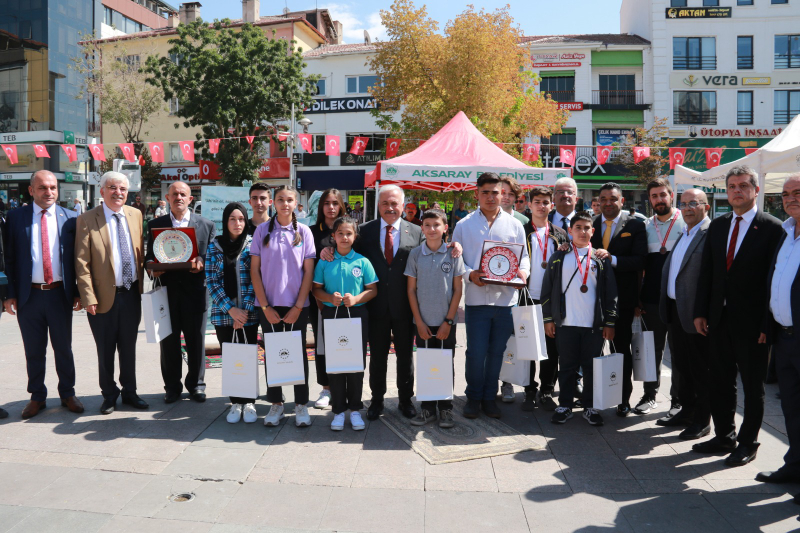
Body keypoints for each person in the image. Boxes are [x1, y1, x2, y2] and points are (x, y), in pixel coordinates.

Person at [693, 166, 784, 466]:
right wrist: (700, 312)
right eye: (731, 186)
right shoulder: (718, 226)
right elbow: (708, 272)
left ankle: (748, 443)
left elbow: (773, 280)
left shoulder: (772, 228)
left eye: (743, 185)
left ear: (756, 190)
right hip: (717, 320)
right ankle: (724, 436)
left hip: (753, 325)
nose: (736, 191)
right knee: (719, 381)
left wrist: (766, 324)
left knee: (753, 386)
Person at [3, 170, 84, 419]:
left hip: (60, 294)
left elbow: (77, 260)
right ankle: (37, 396)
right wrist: (9, 294)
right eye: (42, 188)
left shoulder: (71, 218)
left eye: (52, 188)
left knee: (63, 348)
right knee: (34, 350)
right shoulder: (15, 218)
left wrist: (79, 292)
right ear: (31, 190)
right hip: (30, 297)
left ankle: (67, 393)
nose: (48, 192)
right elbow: (8, 259)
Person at [453, 172, 529, 419]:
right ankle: (473, 397)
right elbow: (456, 261)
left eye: (495, 192)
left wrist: (522, 275)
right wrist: (469, 274)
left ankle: (489, 397)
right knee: (475, 352)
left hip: (506, 300)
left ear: (502, 194)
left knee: (497, 352)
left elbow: (524, 258)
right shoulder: (464, 225)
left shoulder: (515, 224)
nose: (490, 197)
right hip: (476, 300)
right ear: (476, 194)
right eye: (485, 192)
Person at [75, 172, 147, 414]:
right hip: (102, 298)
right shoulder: (87, 219)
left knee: (128, 347)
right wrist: (88, 297)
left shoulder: (135, 214)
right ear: (102, 191)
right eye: (113, 188)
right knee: (105, 349)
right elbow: (81, 262)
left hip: (131, 294)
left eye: (123, 189)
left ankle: (130, 392)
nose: (118, 192)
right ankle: (109, 394)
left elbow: (140, 252)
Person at [352, 186, 424, 420]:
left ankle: (405, 400)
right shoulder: (364, 231)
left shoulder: (417, 232)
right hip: (375, 306)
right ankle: (377, 400)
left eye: (394, 203)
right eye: (385, 203)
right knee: (378, 357)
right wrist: (328, 253)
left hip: (405, 306)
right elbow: (347, 253)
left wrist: (454, 246)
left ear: (403, 206)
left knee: (405, 356)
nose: (390, 208)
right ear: (378, 205)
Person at [542, 211, 617, 425]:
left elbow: (611, 293)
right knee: (566, 366)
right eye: (578, 228)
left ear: (593, 231)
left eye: (587, 228)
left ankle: (590, 406)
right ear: (570, 231)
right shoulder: (559, 256)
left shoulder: (600, 258)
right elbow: (547, 291)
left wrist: (609, 322)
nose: (583, 232)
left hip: (594, 325)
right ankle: (564, 404)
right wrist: (548, 319)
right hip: (565, 323)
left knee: (591, 366)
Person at [250, 185, 316, 427]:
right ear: (273, 203)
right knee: (273, 354)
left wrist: (298, 306)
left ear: (296, 204)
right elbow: (254, 270)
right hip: (268, 306)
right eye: (280, 200)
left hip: (297, 306)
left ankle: (301, 404)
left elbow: (308, 273)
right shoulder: (261, 231)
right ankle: (276, 404)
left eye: (289, 200)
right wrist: (265, 306)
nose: (285, 204)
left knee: (298, 354)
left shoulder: (305, 233)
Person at [146, 181, 216, 404]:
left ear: (190, 199)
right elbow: (149, 257)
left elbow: (212, 256)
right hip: (166, 292)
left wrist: (202, 261)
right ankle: (172, 387)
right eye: (174, 194)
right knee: (168, 342)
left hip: (196, 292)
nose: (178, 197)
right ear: (167, 198)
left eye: (183, 194)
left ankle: (196, 385)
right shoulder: (156, 224)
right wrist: (152, 269)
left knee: (196, 340)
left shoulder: (206, 225)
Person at [312, 216, 377, 431]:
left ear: (355, 236)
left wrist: (357, 299)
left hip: (358, 316)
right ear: (333, 236)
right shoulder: (325, 261)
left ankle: (355, 409)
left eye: (349, 233)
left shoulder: (362, 262)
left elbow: (372, 289)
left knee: (356, 363)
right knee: (336, 363)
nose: (344, 237)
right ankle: (338, 411)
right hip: (332, 315)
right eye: (340, 233)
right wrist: (329, 299)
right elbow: (316, 289)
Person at [659, 189, 713, 439]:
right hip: (675, 310)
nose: (688, 208)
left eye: (694, 203)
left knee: (701, 370)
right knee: (682, 366)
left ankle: (702, 421)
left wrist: (704, 312)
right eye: (685, 204)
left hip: (695, 315)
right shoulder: (685, 232)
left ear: (706, 207)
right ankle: (687, 411)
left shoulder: (709, 233)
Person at [591, 182, 647, 417]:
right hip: (592, 299)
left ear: (622, 201)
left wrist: (612, 258)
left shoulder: (635, 225)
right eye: (603, 198)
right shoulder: (592, 224)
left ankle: (623, 399)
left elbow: (640, 261)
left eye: (612, 199)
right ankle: (593, 396)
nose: (607, 203)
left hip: (622, 300)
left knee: (620, 349)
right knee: (592, 350)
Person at [757, 174, 800, 484]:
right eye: (786, 194)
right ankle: (795, 466)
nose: (790, 198)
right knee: (791, 408)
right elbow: (774, 283)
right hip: (784, 339)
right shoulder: (785, 233)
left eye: (797, 192)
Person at [406, 208, 465, 428]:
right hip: (422, 322)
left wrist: (448, 321)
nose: (432, 229)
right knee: (426, 363)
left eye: (436, 225)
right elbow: (411, 290)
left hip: (446, 322)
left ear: (445, 228)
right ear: (422, 228)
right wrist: (419, 321)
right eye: (427, 225)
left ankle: (446, 408)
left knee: (445, 363)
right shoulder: (415, 254)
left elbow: (458, 290)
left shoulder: (454, 254)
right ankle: (427, 409)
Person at [634, 178, 685, 416]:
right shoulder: (645, 225)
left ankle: (678, 400)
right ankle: (649, 395)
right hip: (651, 300)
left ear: (671, 195)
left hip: (678, 301)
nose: (658, 200)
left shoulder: (686, 222)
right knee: (650, 351)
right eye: (654, 196)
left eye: (662, 195)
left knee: (678, 352)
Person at [206, 202, 260, 424]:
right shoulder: (214, 247)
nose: (237, 223)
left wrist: (243, 312)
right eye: (232, 219)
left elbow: (255, 279)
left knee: (247, 356)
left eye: (241, 219)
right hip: (223, 313)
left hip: (248, 314)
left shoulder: (252, 245)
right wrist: (231, 310)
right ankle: (235, 402)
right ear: (225, 221)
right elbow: (211, 280)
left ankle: (249, 402)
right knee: (231, 358)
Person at [518, 186, 568, 411]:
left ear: (552, 205)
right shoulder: (520, 230)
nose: (541, 206)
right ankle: (529, 389)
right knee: (527, 346)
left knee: (551, 349)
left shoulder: (560, 234)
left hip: (552, 300)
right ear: (529, 205)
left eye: (545, 202)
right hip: (527, 297)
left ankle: (547, 390)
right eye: (537, 201)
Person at [309, 188, 346, 409]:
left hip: (348, 300)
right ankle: (326, 388)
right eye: (326, 203)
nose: (331, 207)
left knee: (345, 342)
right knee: (322, 344)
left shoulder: (350, 229)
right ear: (321, 207)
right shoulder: (311, 232)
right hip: (321, 300)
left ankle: (346, 386)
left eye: (335, 203)